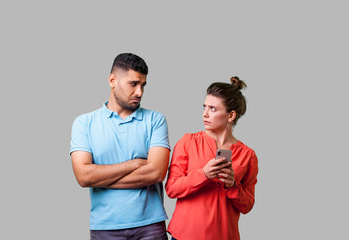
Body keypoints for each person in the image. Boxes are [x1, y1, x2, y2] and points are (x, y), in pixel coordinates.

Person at [70, 53, 170, 240]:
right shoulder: (84, 123)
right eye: (133, 84)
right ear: (112, 80)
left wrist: (100, 178)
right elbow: (84, 177)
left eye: (143, 85)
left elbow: (156, 173)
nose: (139, 92)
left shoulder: (155, 120)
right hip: (104, 226)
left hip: (150, 225)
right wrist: (135, 164)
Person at [165, 76, 259, 240]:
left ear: (231, 116)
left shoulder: (247, 155)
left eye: (213, 109)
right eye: (204, 107)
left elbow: (247, 205)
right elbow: (172, 189)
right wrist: (204, 174)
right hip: (184, 236)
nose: (205, 114)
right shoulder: (188, 142)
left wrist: (232, 186)